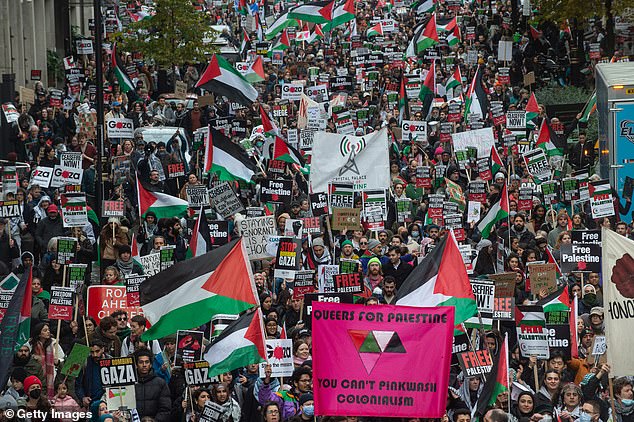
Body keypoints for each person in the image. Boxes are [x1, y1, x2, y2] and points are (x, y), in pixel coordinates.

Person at [133, 348, 172, 421]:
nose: (144, 365)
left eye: (147, 362)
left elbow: (165, 409)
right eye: (141, 362)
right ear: (136, 365)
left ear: (151, 364)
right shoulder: (130, 384)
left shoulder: (160, 383)